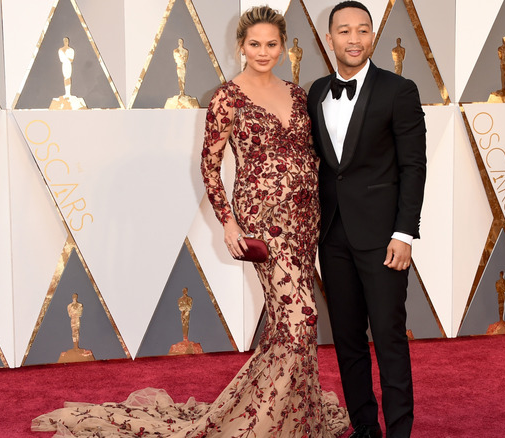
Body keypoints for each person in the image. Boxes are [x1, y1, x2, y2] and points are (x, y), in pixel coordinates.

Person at [32, 6, 349, 437]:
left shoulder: (297, 94)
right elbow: (209, 166)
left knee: (285, 326)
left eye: (271, 44)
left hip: (304, 219)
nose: (263, 51)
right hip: (262, 222)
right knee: (302, 317)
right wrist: (230, 224)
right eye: (254, 44)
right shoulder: (226, 97)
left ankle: (293, 419)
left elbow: (311, 153)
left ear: (282, 46)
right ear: (241, 46)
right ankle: (262, 421)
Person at [307, 2, 427, 437]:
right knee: (348, 340)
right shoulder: (316, 91)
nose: (353, 39)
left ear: (372, 37)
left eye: (362, 30)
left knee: (390, 338)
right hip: (333, 235)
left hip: (383, 237)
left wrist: (404, 232)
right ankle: (364, 427)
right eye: (344, 31)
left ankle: (399, 431)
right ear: (330, 38)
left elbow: (414, 166)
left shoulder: (400, 90)